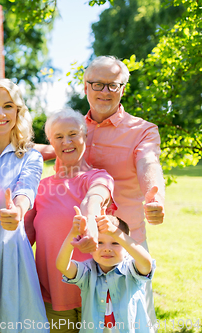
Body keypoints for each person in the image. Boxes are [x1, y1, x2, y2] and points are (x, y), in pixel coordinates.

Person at [80, 55, 163, 325]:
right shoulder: (73, 129)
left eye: (113, 85)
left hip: (127, 244)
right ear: (85, 87)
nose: (105, 91)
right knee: (87, 321)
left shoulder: (142, 130)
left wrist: (155, 195)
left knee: (135, 322)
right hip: (82, 242)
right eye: (98, 84)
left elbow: (148, 162)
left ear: (123, 89)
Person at [0, 78, 49, 332]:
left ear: (18, 111)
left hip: (10, 250)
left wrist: (17, 209)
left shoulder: (31, 156)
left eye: (8, 106)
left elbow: (27, 189)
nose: (0, 114)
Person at [25, 109, 115, 333]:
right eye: (59, 137)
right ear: (50, 142)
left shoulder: (97, 177)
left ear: (84, 135)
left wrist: (90, 225)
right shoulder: (40, 187)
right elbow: (24, 240)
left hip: (97, 294)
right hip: (53, 297)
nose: (67, 142)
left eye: (73, 134)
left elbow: (93, 200)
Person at [56, 207, 155, 333]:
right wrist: (73, 234)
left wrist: (115, 232)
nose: (107, 249)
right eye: (100, 242)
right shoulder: (88, 272)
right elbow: (63, 266)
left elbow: (146, 263)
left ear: (126, 247)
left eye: (115, 243)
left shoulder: (131, 270)